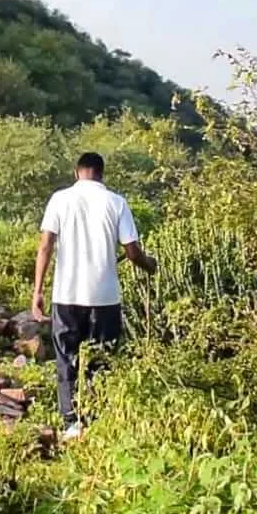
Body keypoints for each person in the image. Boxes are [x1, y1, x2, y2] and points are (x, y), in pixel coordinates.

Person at [30, 152, 157, 439]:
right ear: (102, 173)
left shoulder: (60, 199)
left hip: (66, 294)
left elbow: (46, 246)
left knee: (66, 358)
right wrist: (150, 265)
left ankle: (71, 423)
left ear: (77, 173)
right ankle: (97, 420)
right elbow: (133, 252)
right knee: (102, 360)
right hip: (105, 297)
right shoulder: (116, 202)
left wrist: (37, 291)